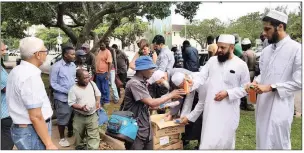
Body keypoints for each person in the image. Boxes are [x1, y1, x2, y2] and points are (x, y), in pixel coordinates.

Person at [180, 34, 250, 149]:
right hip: (211, 110)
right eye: (219, 47)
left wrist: (228, 93)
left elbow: (246, 88)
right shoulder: (212, 61)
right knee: (208, 141)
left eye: (223, 48)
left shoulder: (241, 65)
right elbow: (201, 77)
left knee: (225, 142)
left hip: (229, 110)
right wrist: (191, 82)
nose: (220, 50)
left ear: (232, 47)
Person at [247, 10, 302, 150]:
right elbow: (264, 74)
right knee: (263, 143)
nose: (264, 33)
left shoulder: (297, 49)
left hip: (280, 107)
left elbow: (300, 82)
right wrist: (256, 82)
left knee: (278, 144)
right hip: (262, 106)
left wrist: (271, 87)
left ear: (280, 27)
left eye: (268, 29)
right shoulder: (266, 51)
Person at [122, 56, 186, 150]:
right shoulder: (134, 83)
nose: (153, 71)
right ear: (142, 69)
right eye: (151, 68)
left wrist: (166, 105)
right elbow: (151, 102)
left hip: (145, 128)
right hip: (135, 130)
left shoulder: (142, 83)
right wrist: (170, 95)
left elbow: (148, 105)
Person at [6, 37, 57, 150]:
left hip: (26, 130)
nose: (46, 55)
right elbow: (36, 116)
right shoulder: (30, 77)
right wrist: (49, 144)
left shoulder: (17, 70)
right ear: (38, 54)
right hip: (32, 132)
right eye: (45, 51)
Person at [68, 69, 101, 150]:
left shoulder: (92, 84)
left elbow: (98, 94)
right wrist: (81, 108)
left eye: (88, 77)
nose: (88, 79)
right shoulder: (73, 89)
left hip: (92, 115)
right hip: (79, 117)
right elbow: (71, 103)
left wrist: (97, 102)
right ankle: (80, 147)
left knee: (93, 137)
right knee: (79, 137)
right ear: (78, 78)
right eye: (85, 78)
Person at [50, 45, 76, 147]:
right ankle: (62, 138)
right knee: (62, 118)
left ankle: (70, 131)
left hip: (73, 98)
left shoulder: (73, 66)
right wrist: (67, 91)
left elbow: (74, 80)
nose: (74, 56)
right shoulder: (56, 67)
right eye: (72, 54)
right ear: (65, 55)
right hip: (62, 98)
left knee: (72, 116)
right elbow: (53, 84)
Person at [1, 41, 14, 150]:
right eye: (2, 50)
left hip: (6, 111)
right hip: (3, 114)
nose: (5, 52)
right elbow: (6, 89)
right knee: (7, 143)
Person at [240, 38, 256, 111]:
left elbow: (244, 64)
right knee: (251, 87)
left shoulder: (245, 53)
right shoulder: (253, 52)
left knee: (246, 88)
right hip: (253, 71)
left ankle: (246, 105)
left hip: (248, 72)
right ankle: (251, 103)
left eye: (242, 45)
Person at [104, 38, 120, 103]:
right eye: (106, 41)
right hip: (105, 69)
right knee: (107, 84)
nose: (107, 42)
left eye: (108, 41)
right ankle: (108, 97)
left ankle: (116, 98)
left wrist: (116, 70)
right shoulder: (103, 50)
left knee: (113, 84)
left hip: (112, 69)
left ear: (109, 42)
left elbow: (115, 60)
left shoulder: (112, 49)